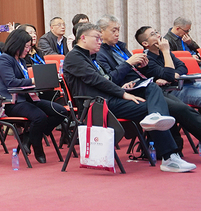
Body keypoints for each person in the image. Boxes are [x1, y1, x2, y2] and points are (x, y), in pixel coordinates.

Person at [63, 23, 195, 172]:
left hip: (110, 97)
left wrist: (123, 87)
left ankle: (157, 121)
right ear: (83, 38)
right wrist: (123, 93)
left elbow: (108, 80)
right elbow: (97, 81)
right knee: (151, 109)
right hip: (97, 105)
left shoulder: (90, 56)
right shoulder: (74, 57)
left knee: (151, 87)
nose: (100, 41)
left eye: (100, 38)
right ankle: (170, 157)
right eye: (97, 38)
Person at [95, 15, 201, 154]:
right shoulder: (100, 54)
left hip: (148, 86)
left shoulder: (121, 48)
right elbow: (111, 79)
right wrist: (129, 63)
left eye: (118, 30)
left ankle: (173, 151)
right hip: (132, 91)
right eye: (113, 30)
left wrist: (141, 67)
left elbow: (180, 68)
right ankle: (170, 152)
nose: (117, 34)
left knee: (183, 108)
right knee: (178, 109)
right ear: (101, 32)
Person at [0, 29, 68, 163]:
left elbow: (24, 82)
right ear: (17, 44)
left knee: (61, 111)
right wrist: (34, 80)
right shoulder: (4, 59)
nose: (28, 50)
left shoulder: (21, 61)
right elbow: (11, 82)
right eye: (26, 46)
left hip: (28, 98)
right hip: (12, 102)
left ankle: (29, 136)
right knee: (39, 117)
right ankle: (38, 147)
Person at [135, 26, 201, 107]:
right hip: (172, 91)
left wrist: (175, 74)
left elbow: (183, 67)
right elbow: (169, 75)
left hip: (186, 84)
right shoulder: (145, 60)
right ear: (145, 43)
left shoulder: (163, 52)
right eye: (153, 34)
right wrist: (165, 51)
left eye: (156, 32)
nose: (158, 35)